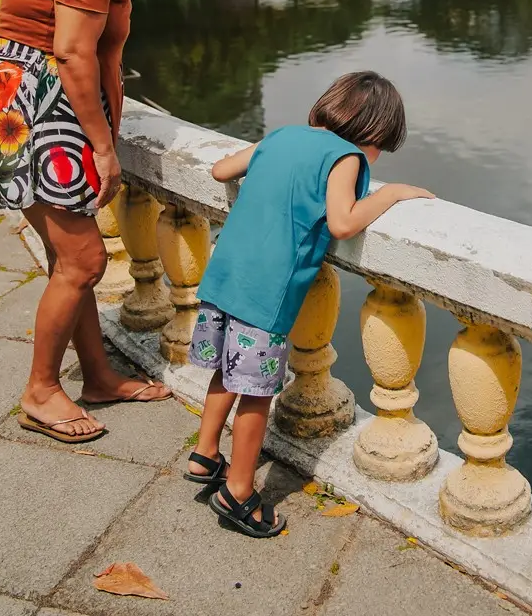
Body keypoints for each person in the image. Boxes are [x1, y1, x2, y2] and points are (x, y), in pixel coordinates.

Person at [0, 0, 181, 443]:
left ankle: (96, 376)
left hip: (36, 103)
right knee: (86, 261)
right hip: (37, 106)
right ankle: (41, 391)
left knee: (74, 261)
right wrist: (104, 147)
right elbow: (71, 52)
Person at [185, 72, 434, 537]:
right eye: (380, 147)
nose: (373, 159)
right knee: (257, 392)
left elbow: (221, 171)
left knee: (226, 370)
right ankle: (238, 490)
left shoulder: (280, 136)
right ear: (374, 133)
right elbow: (342, 223)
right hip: (266, 292)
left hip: (225, 273)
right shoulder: (347, 157)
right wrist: (389, 193)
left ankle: (204, 456)